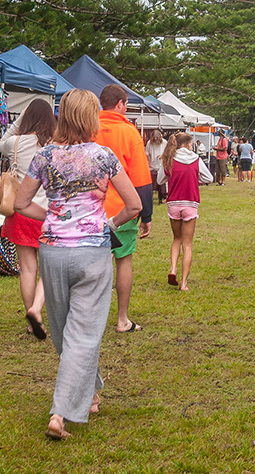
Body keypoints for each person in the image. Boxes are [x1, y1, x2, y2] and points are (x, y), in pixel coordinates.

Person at [15, 89, 142, 440]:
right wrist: (109, 224)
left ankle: (90, 392)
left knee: (63, 331)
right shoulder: (103, 157)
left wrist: (55, 216)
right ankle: (61, 411)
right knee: (83, 334)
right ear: (91, 119)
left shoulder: (44, 155)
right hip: (92, 252)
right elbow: (133, 205)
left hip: (52, 252)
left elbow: (21, 203)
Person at [94, 84, 154, 333]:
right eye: (126, 103)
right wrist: (146, 214)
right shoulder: (129, 133)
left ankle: (90, 318)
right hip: (122, 210)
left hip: (91, 207)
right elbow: (141, 177)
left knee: (92, 265)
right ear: (120, 104)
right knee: (124, 261)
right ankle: (122, 319)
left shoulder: (88, 128)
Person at [0, 99, 56, 339]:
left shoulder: (15, 143)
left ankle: (32, 321)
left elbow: (1, 141)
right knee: (49, 269)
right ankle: (37, 309)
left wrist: (19, 119)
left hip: (22, 211)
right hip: (48, 213)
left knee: (27, 270)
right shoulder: (54, 145)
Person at [158, 132, 213, 291]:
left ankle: (173, 269)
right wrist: (196, 179)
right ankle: (183, 283)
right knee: (187, 244)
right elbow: (208, 178)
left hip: (174, 203)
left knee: (177, 239)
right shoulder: (196, 159)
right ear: (186, 145)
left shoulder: (169, 159)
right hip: (190, 203)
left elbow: (160, 180)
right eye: (190, 145)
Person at [145, 129, 167, 204]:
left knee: (161, 183)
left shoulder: (164, 142)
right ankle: (149, 199)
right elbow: (147, 154)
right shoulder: (149, 143)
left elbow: (168, 152)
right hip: (152, 165)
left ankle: (161, 199)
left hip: (161, 165)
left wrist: (163, 156)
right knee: (151, 184)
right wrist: (148, 162)